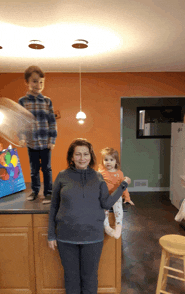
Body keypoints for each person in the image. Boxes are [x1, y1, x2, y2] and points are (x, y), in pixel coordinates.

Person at [48, 138, 131, 294]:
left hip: (93, 236)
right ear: (71, 157)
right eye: (78, 154)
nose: (82, 158)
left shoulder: (98, 177)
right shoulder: (62, 176)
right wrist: (51, 234)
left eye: (85, 154)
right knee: (71, 278)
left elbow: (106, 203)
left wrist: (123, 186)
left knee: (90, 278)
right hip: (66, 237)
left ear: (91, 156)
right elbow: (54, 206)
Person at [18, 65, 57, 204]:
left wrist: (52, 140)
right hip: (32, 142)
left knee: (47, 169)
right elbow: (20, 122)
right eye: (35, 81)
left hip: (45, 143)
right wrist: (22, 138)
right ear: (27, 82)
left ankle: (48, 192)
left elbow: (52, 122)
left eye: (41, 82)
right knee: (34, 170)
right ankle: (35, 191)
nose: (38, 85)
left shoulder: (47, 101)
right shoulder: (23, 101)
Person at [98, 147, 134, 239]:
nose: (108, 162)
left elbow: (124, 187)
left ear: (116, 162)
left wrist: (127, 198)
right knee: (103, 211)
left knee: (118, 210)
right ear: (102, 161)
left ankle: (118, 226)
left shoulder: (119, 173)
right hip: (105, 197)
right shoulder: (101, 173)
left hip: (116, 196)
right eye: (106, 160)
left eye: (111, 160)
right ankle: (107, 227)